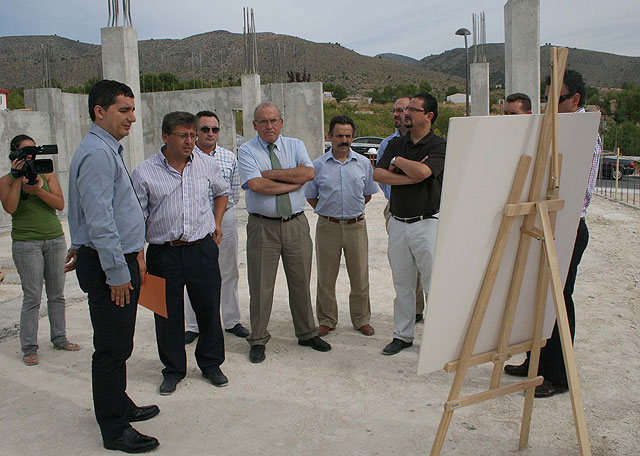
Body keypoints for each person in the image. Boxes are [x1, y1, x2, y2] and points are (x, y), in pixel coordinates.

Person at [66, 79, 159, 453]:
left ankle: (117, 403)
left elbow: (91, 209)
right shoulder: (99, 154)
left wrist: (79, 241)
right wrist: (117, 272)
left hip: (112, 258)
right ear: (99, 111)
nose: (132, 118)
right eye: (124, 110)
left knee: (119, 344)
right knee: (110, 348)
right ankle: (114, 428)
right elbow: (100, 217)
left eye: (133, 110)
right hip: (111, 267)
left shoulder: (104, 149)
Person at [504, 70, 602, 398]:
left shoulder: (584, 135)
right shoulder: (556, 129)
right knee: (538, 296)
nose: (550, 105)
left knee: (558, 301)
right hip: (547, 223)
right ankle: (535, 360)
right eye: (546, 98)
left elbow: (579, 195)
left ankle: (557, 375)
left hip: (568, 226)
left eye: (555, 99)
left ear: (575, 100)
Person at [132, 111, 230, 395]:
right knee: (166, 315)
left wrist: (217, 222)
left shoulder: (207, 164)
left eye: (192, 135)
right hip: (163, 253)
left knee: (209, 308)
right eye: (183, 136)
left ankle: (211, 364)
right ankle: (173, 369)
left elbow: (222, 191)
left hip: (201, 249)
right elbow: (137, 216)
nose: (190, 141)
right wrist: (139, 254)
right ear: (165, 137)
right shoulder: (145, 171)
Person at [238, 102, 331, 363]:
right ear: (254, 125)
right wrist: (292, 183)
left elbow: (309, 173)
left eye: (273, 120)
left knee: (301, 281)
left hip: (296, 225)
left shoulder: (295, 145)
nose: (269, 126)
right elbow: (256, 184)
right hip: (262, 227)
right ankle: (257, 338)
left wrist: (272, 175)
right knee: (260, 286)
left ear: (281, 122)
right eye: (263, 121)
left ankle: (307, 333)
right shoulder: (246, 150)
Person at [374, 93, 447, 355]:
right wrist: (408, 173)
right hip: (398, 222)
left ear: (428, 116)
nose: (406, 113)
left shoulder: (439, 145)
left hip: (426, 223)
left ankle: (438, 340)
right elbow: (378, 173)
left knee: (432, 285)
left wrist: (397, 164)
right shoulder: (395, 144)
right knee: (402, 285)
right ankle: (402, 335)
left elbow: (425, 173)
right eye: (405, 109)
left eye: (413, 110)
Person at [0, 135, 80, 366]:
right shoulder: (5, 180)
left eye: (33, 151)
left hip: (54, 239)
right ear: (14, 154)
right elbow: (11, 207)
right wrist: (17, 179)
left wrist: (38, 191)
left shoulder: (46, 174)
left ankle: (60, 338)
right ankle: (29, 347)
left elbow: (59, 204)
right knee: (32, 296)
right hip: (26, 243)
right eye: (25, 152)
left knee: (57, 294)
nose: (30, 156)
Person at [305, 115, 378, 337]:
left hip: (356, 226)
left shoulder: (364, 164)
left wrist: (350, 213)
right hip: (328, 226)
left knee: (360, 276)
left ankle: (361, 319)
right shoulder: (317, 165)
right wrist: (331, 212)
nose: (343, 140)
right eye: (339, 135)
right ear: (330, 136)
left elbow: (367, 195)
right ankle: (327, 320)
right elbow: (311, 196)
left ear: (352, 137)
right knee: (326, 277)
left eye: (347, 135)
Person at [183, 110, 249, 345]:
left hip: (225, 218)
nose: (210, 133)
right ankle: (192, 325)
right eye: (205, 129)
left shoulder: (229, 157)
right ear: (196, 131)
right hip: (196, 222)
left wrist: (219, 217)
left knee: (229, 270)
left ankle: (231, 321)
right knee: (193, 272)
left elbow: (233, 192)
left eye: (215, 129)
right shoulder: (186, 157)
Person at [377, 97, 426, 323]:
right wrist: (409, 178)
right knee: (403, 266)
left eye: (404, 109)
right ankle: (413, 312)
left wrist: (398, 169)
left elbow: (425, 175)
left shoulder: (428, 143)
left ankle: (429, 312)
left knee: (425, 263)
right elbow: (380, 176)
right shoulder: (388, 144)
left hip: (424, 211)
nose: (399, 114)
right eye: (395, 110)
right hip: (394, 209)